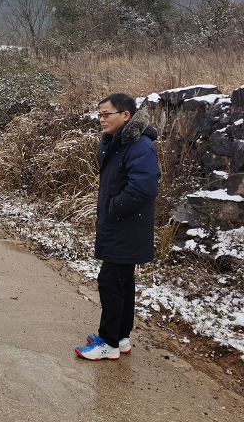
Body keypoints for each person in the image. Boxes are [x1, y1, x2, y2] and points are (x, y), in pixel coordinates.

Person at [76, 93, 160, 361]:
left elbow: (144, 187)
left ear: (126, 115)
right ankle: (121, 337)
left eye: (106, 114)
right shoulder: (119, 142)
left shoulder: (138, 146)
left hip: (126, 226)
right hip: (122, 225)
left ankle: (109, 342)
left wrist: (112, 210)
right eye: (99, 114)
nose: (101, 119)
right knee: (122, 281)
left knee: (111, 281)